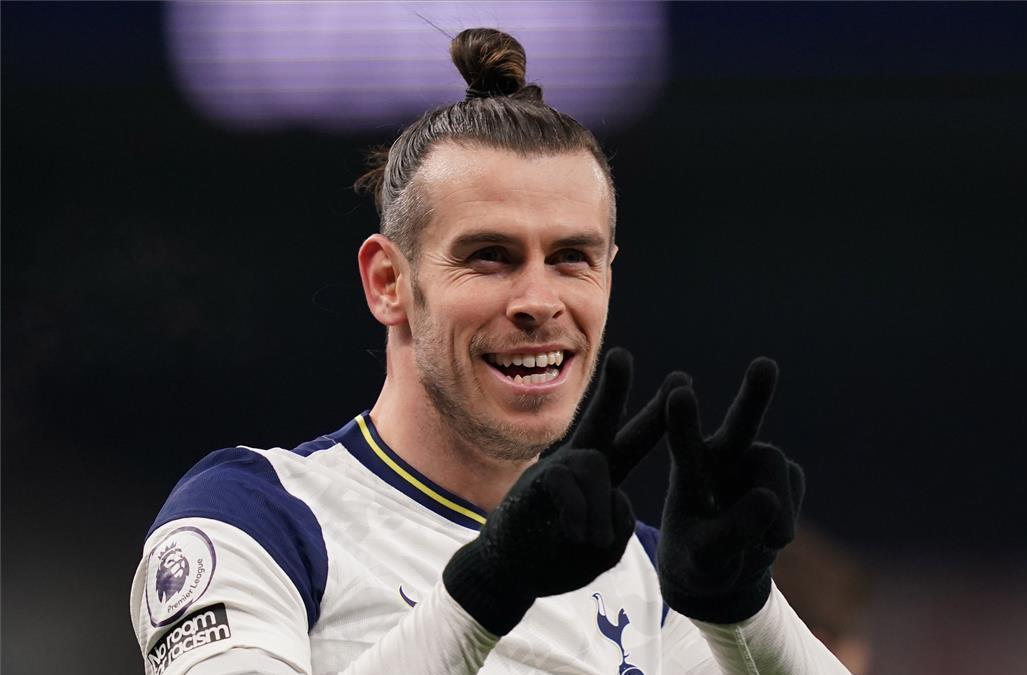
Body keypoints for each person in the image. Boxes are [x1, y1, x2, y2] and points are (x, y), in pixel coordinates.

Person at [130, 28, 852, 675]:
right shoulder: (258, 517)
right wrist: (488, 587)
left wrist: (747, 609)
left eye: (573, 256)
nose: (539, 300)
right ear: (389, 282)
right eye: (490, 256)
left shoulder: (647, 578)